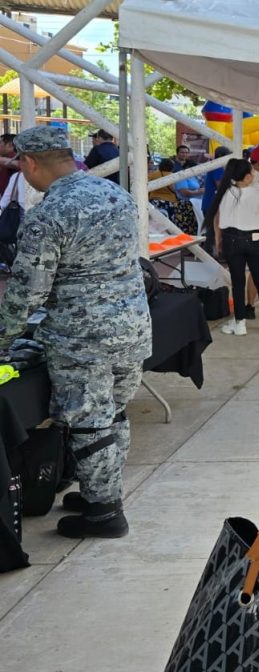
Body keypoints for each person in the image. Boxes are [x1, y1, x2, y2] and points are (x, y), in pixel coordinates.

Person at [0, 126, 150, 538]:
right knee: (113, 414)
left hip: (84, 340)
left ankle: (105, 512)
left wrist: (2, 340)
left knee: (90, 423)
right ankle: (100, 491)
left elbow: (26, 293)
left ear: (30, 163)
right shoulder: (116, 196)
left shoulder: (49, 215)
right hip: (131, 328)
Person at [206, 158, 259, 336]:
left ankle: (240, 323)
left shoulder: (223, 192)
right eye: (252, 172)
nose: (254, 174)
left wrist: (218, 239)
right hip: (255, 239)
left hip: (230, 239)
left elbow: (217, 219)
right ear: (247, 177)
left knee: (237, 282)